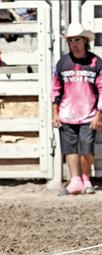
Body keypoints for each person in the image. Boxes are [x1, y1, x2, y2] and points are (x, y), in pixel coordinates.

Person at [51, 22, 102, 195]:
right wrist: (55, 113)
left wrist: (99, 114)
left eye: (77, 39)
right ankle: (75, 180)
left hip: (89, 115)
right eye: (71, 40)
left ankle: (86, 178)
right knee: (70, 149)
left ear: (85, 41)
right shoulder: (62, 63)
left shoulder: (96, 62)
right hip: (66, 114)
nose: (74, 43)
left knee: (87, 148)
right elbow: (55, 89)